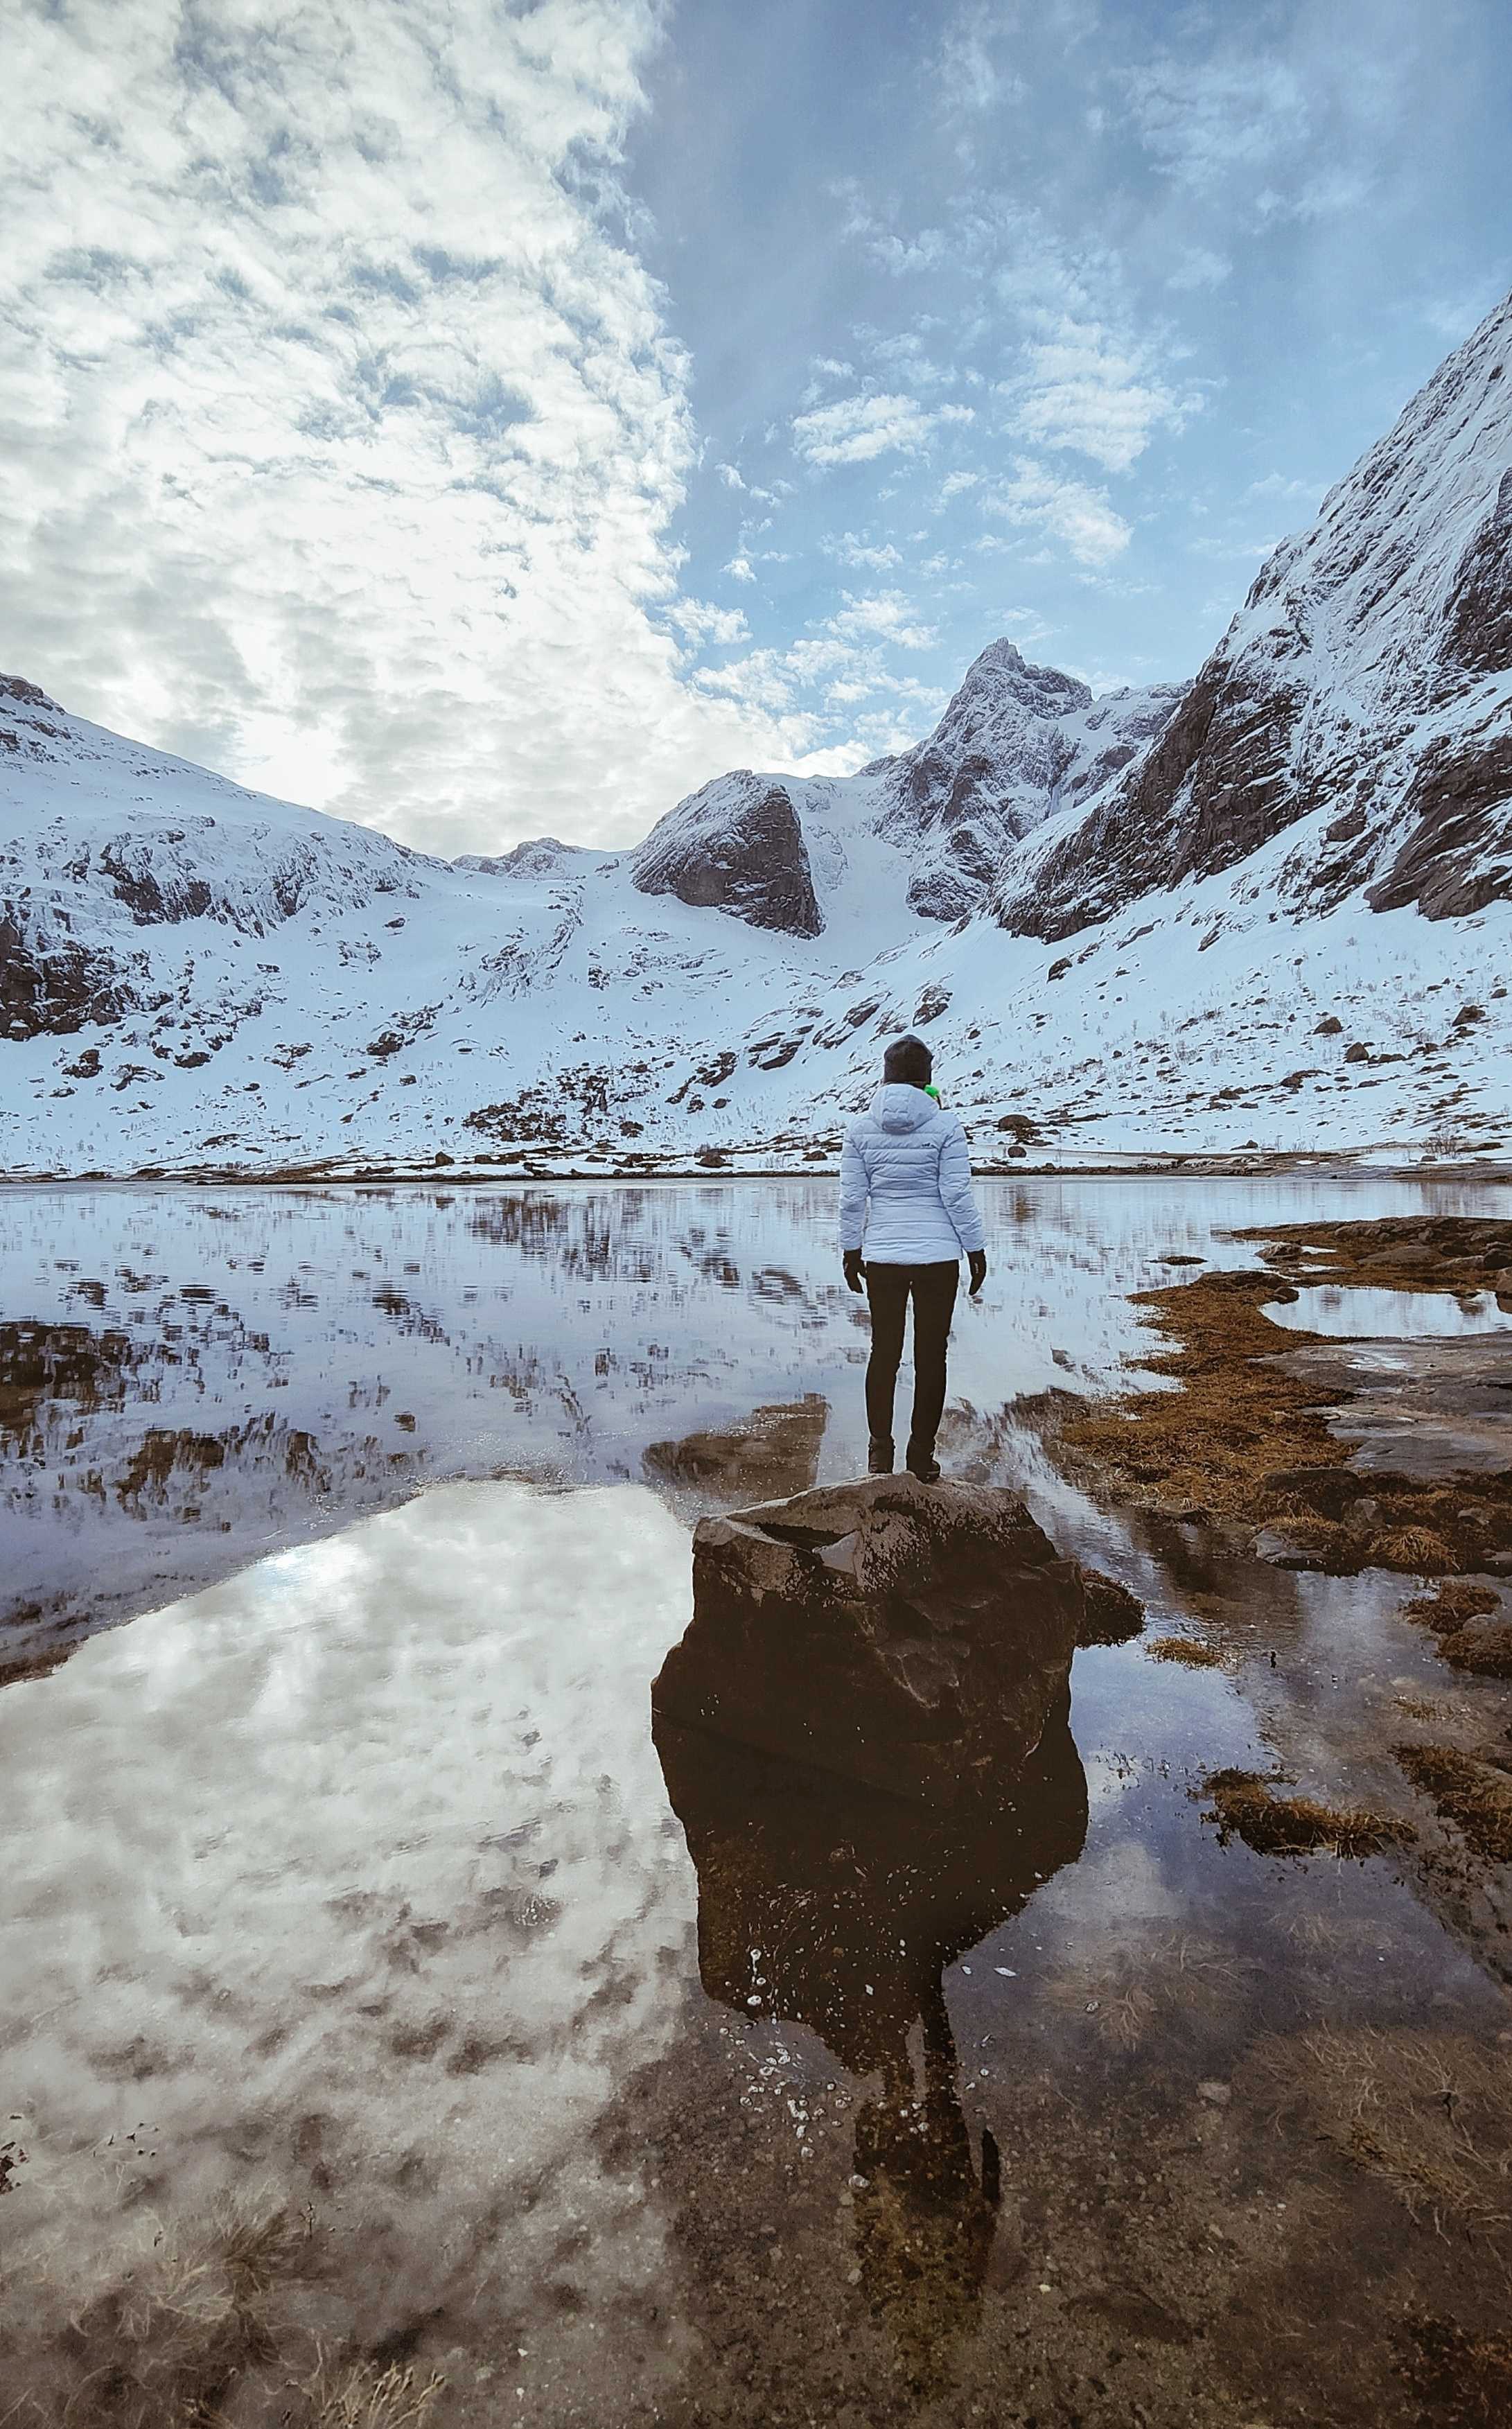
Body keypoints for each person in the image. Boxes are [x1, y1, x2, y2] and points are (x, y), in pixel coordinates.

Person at [839, 1033, 987, 1481]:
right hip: (938, 1258)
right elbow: (956, 1193)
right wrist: (974, 1248)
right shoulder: (946, 1125)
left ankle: (879, 1455)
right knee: (931, 1358)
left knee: (883, 1353)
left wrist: (851, 1250)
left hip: (882, 1257)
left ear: (885, 1077)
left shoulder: (860, 1129)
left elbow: (852, 1199)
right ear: (927, 1079)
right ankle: (920, 1456)